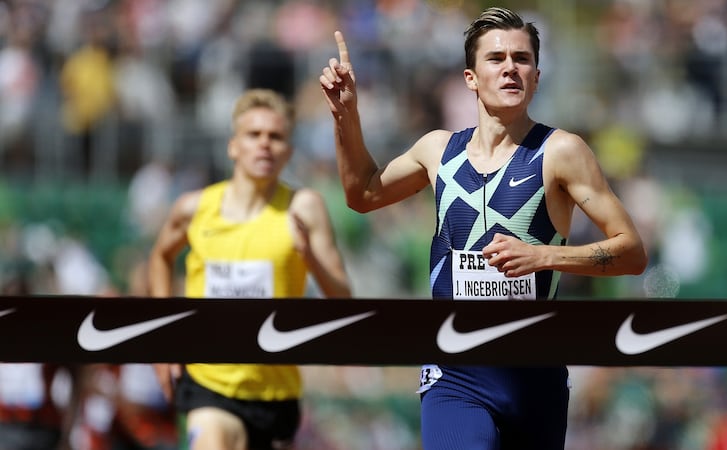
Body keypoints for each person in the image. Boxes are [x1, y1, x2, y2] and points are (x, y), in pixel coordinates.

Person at [320, 7, 648, 450]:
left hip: (534, 370)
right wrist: (346, 118)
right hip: (455, 369)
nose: (511, 67)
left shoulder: (562, 152)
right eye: (496, 58)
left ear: (536, 75)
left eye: (522, 58)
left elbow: (631, 252)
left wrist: (546, 256)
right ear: (470, 78)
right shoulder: (437, 150)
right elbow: (363, 194)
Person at [148, 88, 351, 450]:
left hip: (274, 391)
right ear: (233, 146)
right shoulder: (194, 208)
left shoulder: (303, 208)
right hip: (208, 382)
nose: (264, 145)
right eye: (253, 135)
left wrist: (312, 259)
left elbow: (342, 297)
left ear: (288, 151)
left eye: (275, 137)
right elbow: (160, 257)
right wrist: (165, 340)